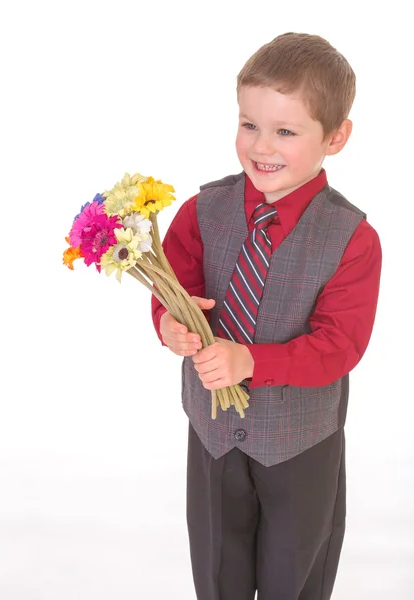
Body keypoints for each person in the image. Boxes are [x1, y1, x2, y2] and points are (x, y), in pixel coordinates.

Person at [151, 32, 381, 600]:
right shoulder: (202, 211)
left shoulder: (353, 238)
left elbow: (339, 345)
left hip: (299, 444)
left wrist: (250, 359)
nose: (262, 146)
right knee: (217, 571)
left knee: (294, 575)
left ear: (336, 137)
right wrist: (168, 324)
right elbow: (176, 288)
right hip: (213, 438)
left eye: (286, 131)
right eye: (249, 124)